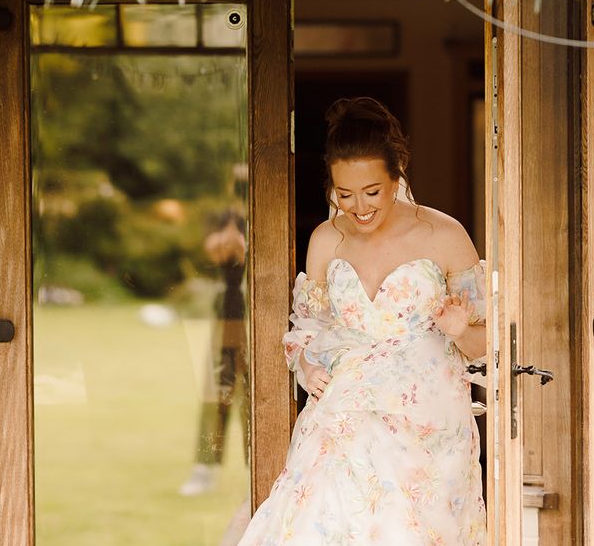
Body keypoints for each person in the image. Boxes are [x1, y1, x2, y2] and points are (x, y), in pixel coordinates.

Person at [237, 97, 487, 544]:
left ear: (397, 176)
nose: (359, 207)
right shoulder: (326, 240)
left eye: (371, 192)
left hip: (427, 429)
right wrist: (307, 365)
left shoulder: (445, 236)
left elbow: (487, 344)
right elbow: (308, 329)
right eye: (345, 194)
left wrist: (460, 330)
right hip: (343, 416)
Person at [179, 210, 250, 496]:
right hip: (226, 318)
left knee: (252, 397)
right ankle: (204, 468)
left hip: (253, 317)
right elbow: (220, 248)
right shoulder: (224, 214)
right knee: (214, 395)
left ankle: (254, 469)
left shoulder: (258, 210)